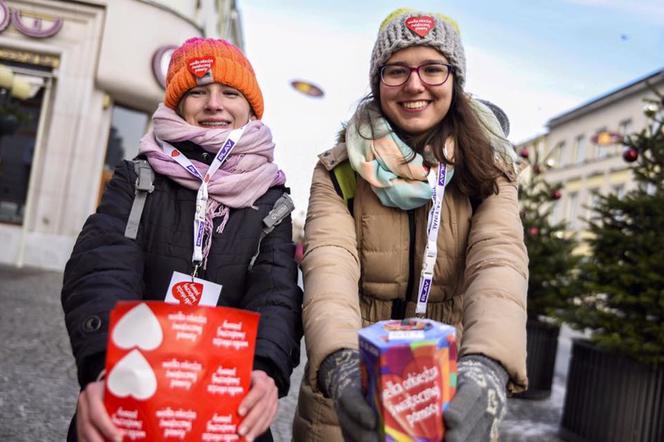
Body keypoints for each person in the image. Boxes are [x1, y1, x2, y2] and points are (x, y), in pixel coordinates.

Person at [293, 8, 527, 442]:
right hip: (349, 399)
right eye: (396, 70)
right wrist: (340, 362)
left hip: (448, 389)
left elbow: (500, 264)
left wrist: (489, 364)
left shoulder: (489, 169)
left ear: (455, 82)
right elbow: (329, 266)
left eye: (433, 69)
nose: (414, 84)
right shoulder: (339, 169)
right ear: (377, 82)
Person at [61, 37, 302, 442]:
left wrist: (265, 368)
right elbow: (102, 265)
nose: (214, 104)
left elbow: (275, 291)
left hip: (226, 402)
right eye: (197, 91)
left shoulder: (271, 198)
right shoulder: (138, 178)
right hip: (133, 389)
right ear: (177, 104)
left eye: (229, 92)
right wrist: (104, 362)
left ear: (250, 107)